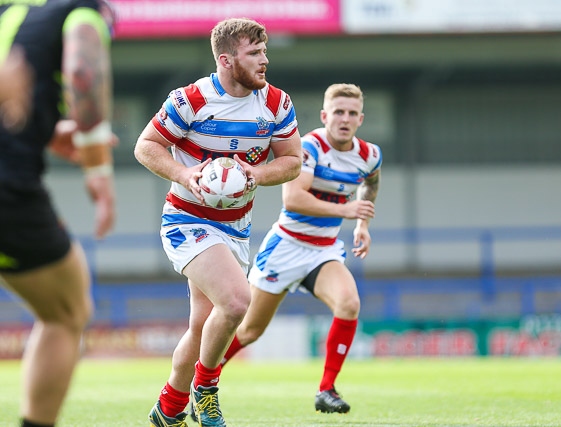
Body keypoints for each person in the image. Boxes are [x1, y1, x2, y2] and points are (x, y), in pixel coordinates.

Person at [133, 17, 301, 427]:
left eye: (265, 52)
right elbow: (146, 146)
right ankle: (205, 390)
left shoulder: (276, 104)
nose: (264, 61)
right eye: (254, 54)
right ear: (226, 60)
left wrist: (255, 174)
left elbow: (292, 161)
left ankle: (168, 408)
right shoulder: (190, 99)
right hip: (187, 218)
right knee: (238, 301)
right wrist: (186, 175)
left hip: (236, 226)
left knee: (201, 325)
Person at [219, 83, 382, 414]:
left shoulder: (369, 155)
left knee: (349, 303)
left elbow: (371, 182)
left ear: (361, 119)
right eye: (338, 112)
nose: (345, 119)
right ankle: (204, 377)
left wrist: (362, 224)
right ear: (325, 115)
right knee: (249, 330)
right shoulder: (310, 147)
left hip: (322, 251)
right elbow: (293, 198)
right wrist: (346, 211)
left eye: (352, 114)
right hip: (285, 247)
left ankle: (327, 389)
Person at [0, 1, 117, 426]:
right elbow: (82, 69)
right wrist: (97, 166)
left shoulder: (10, 15)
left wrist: (44, 129)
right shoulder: (81, 10)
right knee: (66, 312)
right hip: (8, 187)